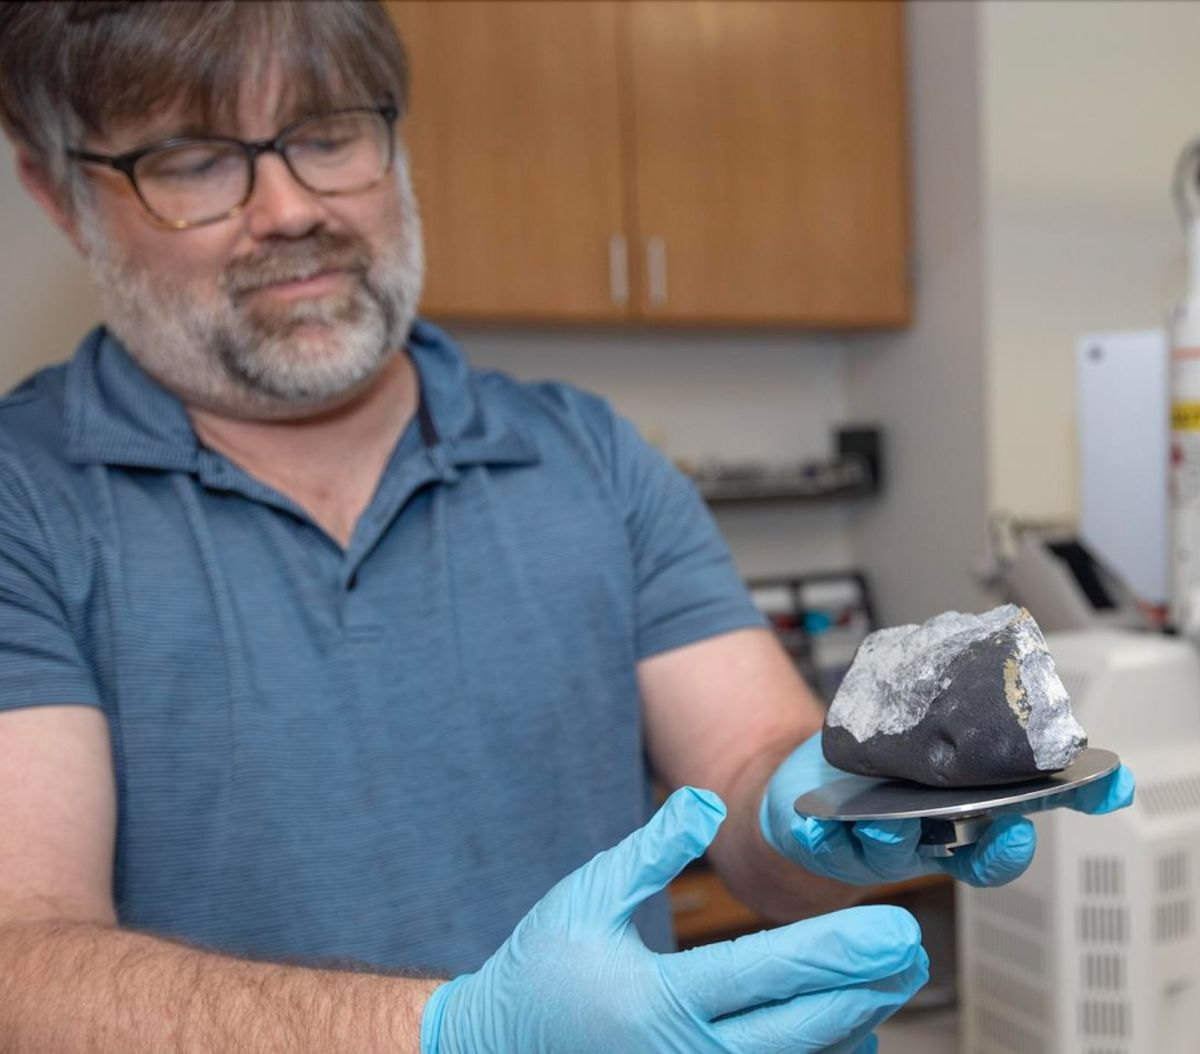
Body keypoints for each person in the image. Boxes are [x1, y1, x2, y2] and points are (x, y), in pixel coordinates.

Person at [0, 2, 1133, 1051]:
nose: (291, 208)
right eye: (194, 160)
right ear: (58, 193)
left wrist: (831, 812)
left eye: (329, 135)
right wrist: (458, 1032)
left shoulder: (588, 456)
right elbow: (22, 958)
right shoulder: (26, 504)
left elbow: (748, 773)